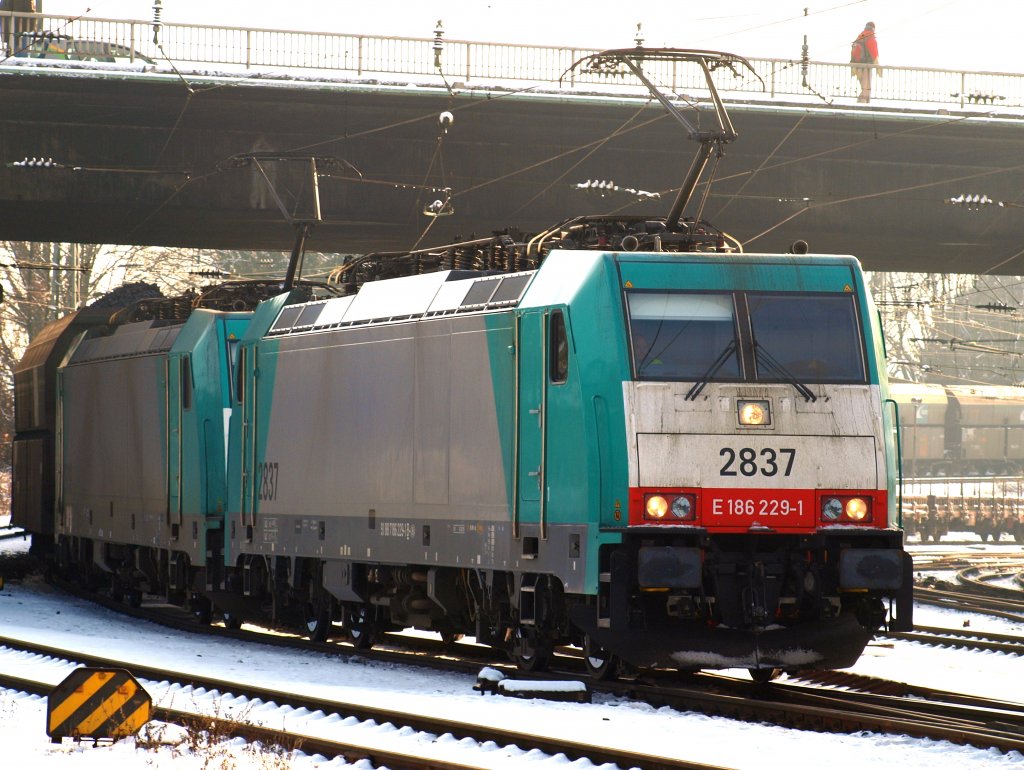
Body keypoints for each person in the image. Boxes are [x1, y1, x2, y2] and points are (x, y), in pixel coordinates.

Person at [850, 21, 879, 103]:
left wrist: (853, 67)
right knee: (866, 90)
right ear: (873, 29)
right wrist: (879, 69)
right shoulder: (871, 39)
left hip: (857, 67)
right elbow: (875, 56)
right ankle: (861, 107)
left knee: (863, 89)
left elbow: (853, 52)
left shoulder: (859, 37)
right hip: (866, 68)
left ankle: (860, 104)